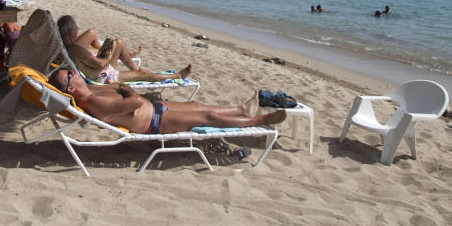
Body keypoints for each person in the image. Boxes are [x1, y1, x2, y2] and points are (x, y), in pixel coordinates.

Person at [48, 68, 287, 134]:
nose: (73, 71)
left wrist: (122, 88)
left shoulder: (89, 90)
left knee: (196, 106)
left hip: (155, 108)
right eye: (70, 74)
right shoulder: (94, 103)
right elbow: (132, 103)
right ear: (70, 87)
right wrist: (127, 90)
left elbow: (116, 87)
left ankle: (241, 108)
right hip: (155, 121)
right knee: (208, 117)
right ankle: (258, 120)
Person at [57, 14, 191, 84]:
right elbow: (100, 64)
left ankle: (134, 69)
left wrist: (104, 55)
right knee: (143, 74)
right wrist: (107, 57)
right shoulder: (76, 48)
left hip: (98, 72)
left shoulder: (69, 46)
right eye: (76, 29)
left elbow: (93, 62)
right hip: (103, 77)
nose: (77, 32)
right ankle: (177, 75)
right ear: (70, 30)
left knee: (118, 43)